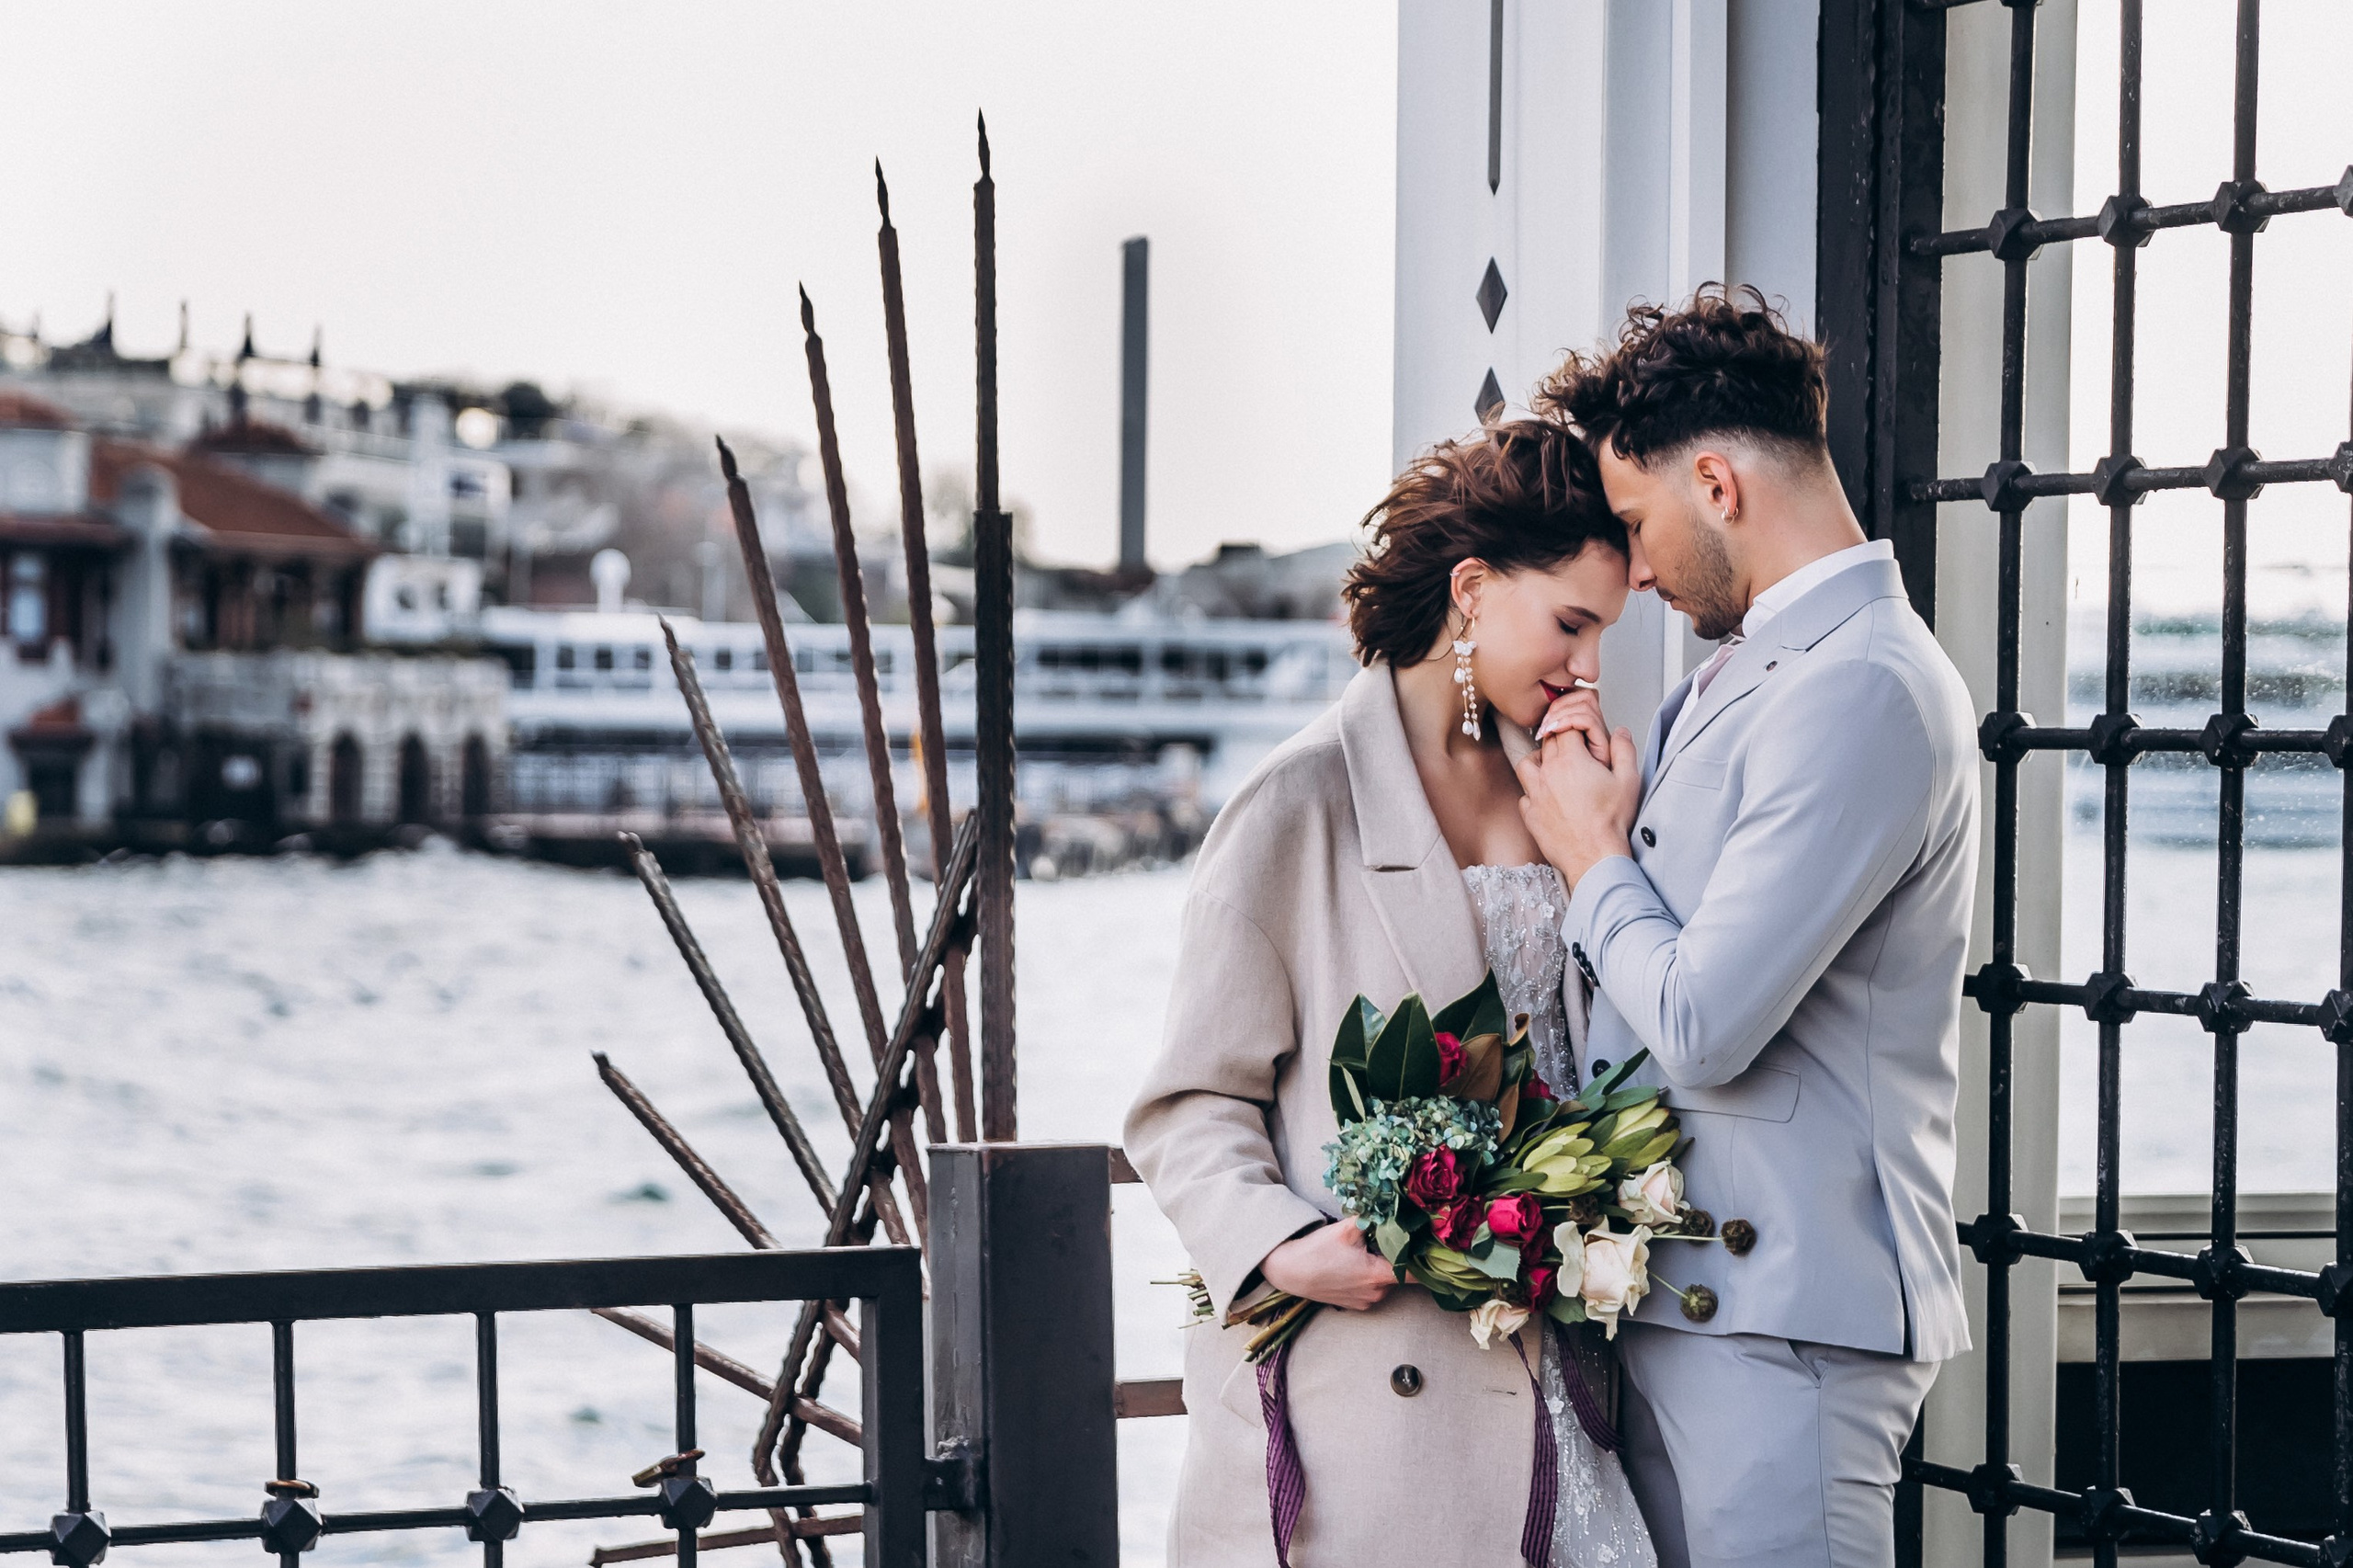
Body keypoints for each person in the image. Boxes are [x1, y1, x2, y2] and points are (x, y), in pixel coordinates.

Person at [1125, 415, 1652, 1566]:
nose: (1587, 667)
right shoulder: (1297, 802)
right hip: (1367, 1392)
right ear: (1471, 589)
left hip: (1558, 1379)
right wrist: (1277, 1244)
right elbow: (1186, 1103)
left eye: (1604, 632)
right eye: (1570, 623)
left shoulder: (1575, 792)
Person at [1515, 286, 1982, 1568]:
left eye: (1636, 522)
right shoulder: (1752, 668)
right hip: (1692, 1302)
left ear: (1716, 482)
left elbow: (1707, 1023)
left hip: (1786, 1326)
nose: (1640, 567)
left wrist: (1592, 852)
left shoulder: (1865, 687)